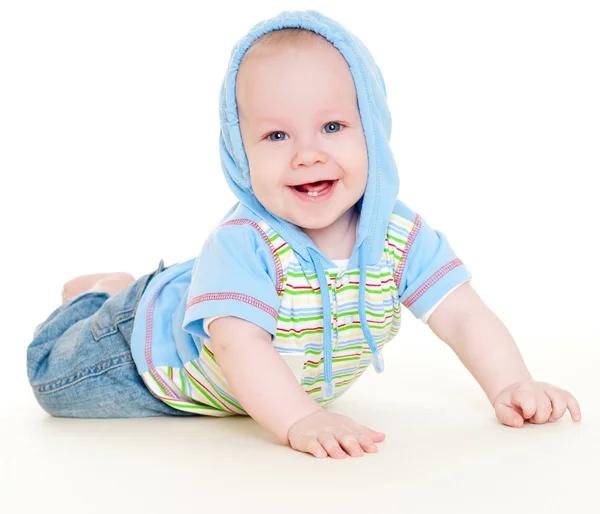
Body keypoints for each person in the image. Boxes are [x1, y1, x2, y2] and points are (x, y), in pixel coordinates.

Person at [27, 10, 581, 459]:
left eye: (333, 126)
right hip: (147, 354)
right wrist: (301, 419)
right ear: (240, 153)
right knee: (51, 381)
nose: (307, 152)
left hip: (231, 323)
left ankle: (129, 287)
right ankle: (99, 296)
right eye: (275, 134)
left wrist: (512, 384)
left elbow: (462, 313)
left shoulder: (397, 234)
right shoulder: (244, 242)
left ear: (374, 128)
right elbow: (240, 345)